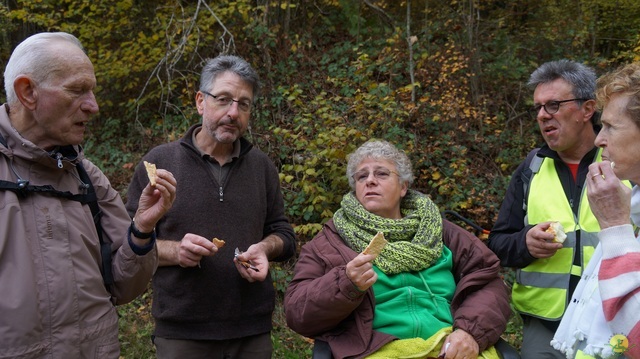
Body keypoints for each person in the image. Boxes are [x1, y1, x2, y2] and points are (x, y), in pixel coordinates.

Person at [0, 32, 177, 358]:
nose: (93, 106)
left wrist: (142, 229)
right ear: (28, 93)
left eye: (92, 90)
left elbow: (124, 288)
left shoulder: (87, 177)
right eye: (77, 90)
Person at [125, 54, 296, 359]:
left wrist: (265, 248)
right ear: (201, 102)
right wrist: (174, 251)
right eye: (224, 100)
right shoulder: (160, 163)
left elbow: (283, 233)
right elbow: (126, 241)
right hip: (182, 331)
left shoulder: (261, 167)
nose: (234, 112)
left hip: (251, 330)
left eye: (244, 104)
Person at [285, 139, 511, 359]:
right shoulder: (329, 242)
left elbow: (488, 282)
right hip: (375, 349)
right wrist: (345, 284)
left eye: (381, 173)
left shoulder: (443, 232)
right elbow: (297, 311)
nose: (370, 181)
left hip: (449, 345)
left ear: (403, 187)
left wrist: (470, 331)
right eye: (362, 176)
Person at [487, 59, 611, 359]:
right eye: (539, 108)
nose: (543, 115)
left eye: (553, 105)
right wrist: (525, 243)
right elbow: (498, 243)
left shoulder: (621, 161)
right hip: (546, 322)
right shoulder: (532, 168)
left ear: (587, 109)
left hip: (609, 315)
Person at [551, 62, 640, 358]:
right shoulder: (634, 204)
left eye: (611, 127)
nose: (599, 139)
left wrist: (615, 225)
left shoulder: (624, 212)